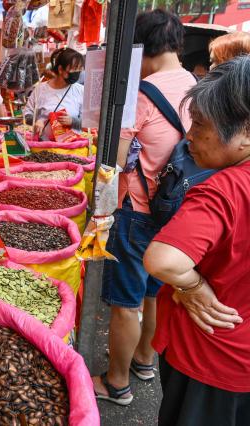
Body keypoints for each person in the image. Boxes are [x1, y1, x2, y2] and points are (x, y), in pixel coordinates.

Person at [92, 9, 197, 406]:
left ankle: (116, 383)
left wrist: (98, 209)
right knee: (157, 290)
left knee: (126, 304)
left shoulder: (143, 94)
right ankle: (145, 359)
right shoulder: (196, 86)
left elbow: (114, 161)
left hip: (137, 212)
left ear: (142, 47)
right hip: (176, 210)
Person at [143, 56, 250, 426]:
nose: (189, 136)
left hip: (211, 357)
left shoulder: (226, 189)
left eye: (200, 125)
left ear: (246, 131)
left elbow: (162, 260)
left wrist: (192, 285)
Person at [24, 47, 84, 141]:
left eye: (79, 69)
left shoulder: (80, 91)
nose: (77, 73)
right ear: (60, 69)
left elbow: (89, 124)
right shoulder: (40, 89)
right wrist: (36, 120)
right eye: (74, 69)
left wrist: (73, 121)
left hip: (71, 148)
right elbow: (26, 114)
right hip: (43, 146)